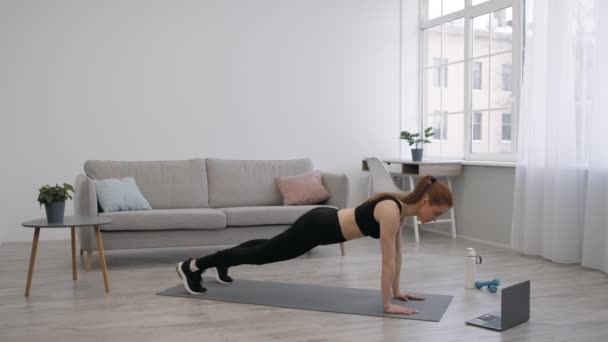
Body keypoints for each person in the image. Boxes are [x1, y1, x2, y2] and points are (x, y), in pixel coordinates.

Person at [176, 175, 453, 315]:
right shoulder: (392, 211)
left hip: (324, 223)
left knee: (268, 246)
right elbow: (387, 261)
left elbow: (398, 256)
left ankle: (222, 260)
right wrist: (386, 304)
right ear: (426, 202)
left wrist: (397, 292)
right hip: (320, 227)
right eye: (437, 213)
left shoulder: (400, 209)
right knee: (264, 255)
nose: (434, 218)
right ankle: (194, 266)